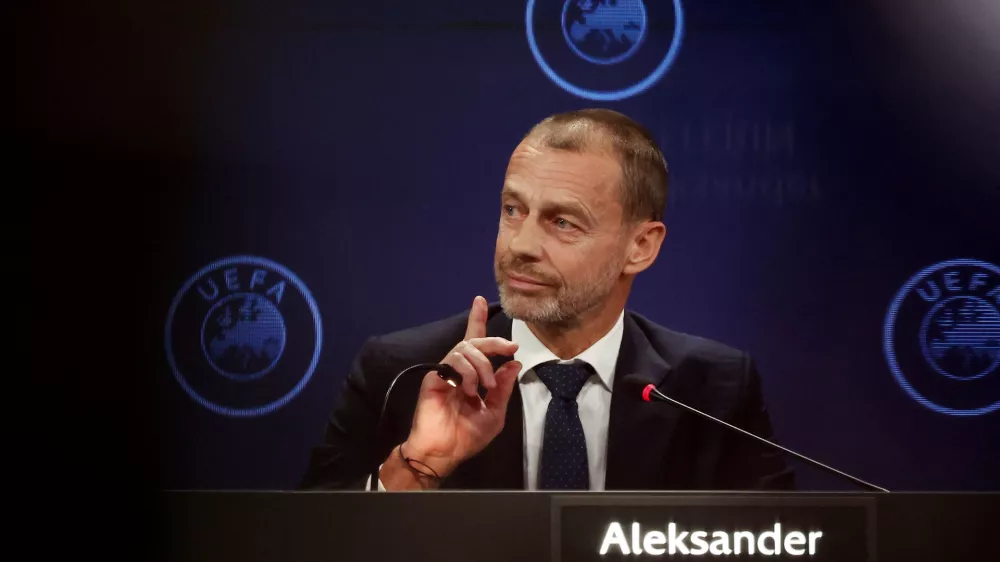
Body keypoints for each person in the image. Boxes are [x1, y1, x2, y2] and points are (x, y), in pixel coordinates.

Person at [299, 109, 794, 491]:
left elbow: (781, 543)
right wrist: (420, 465)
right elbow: (308, 546)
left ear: (640, 246)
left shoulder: (713, 391)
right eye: (513, 210)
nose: (521, 245)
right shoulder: (402, 373)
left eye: (562, 222)